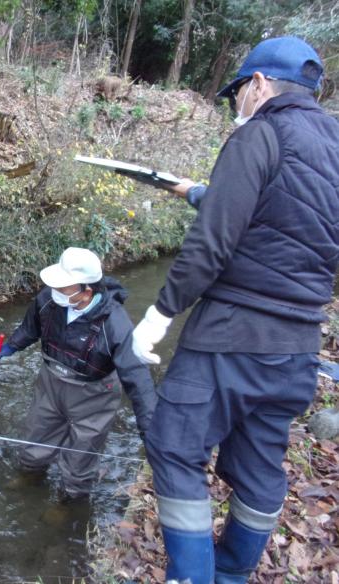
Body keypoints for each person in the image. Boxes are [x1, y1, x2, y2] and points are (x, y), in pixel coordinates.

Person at [131, 37, 339, 584]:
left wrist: (158, 316)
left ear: (260, 85)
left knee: (174, 448)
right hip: (296, 351)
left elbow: (212, 245)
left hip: (228, 339)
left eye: (238, 94)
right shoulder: (334, 145)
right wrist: (205, 190)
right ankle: (231, 572)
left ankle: (192, 577)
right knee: (259, 467)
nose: (238, 107)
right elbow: (291, 216)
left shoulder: (262, 134)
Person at [0, 247, 156, 498]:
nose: (55, 291)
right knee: (35, 439)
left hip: (94, 395)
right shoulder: (48, 299)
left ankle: (69, 501)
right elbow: (31, 327)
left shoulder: (115, 323)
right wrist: (13, 345)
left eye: (64, 287)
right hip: (51, 383)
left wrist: (150, 428)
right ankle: (28, 477)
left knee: (82, 454)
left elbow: (137, 378)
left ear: (87, 290)